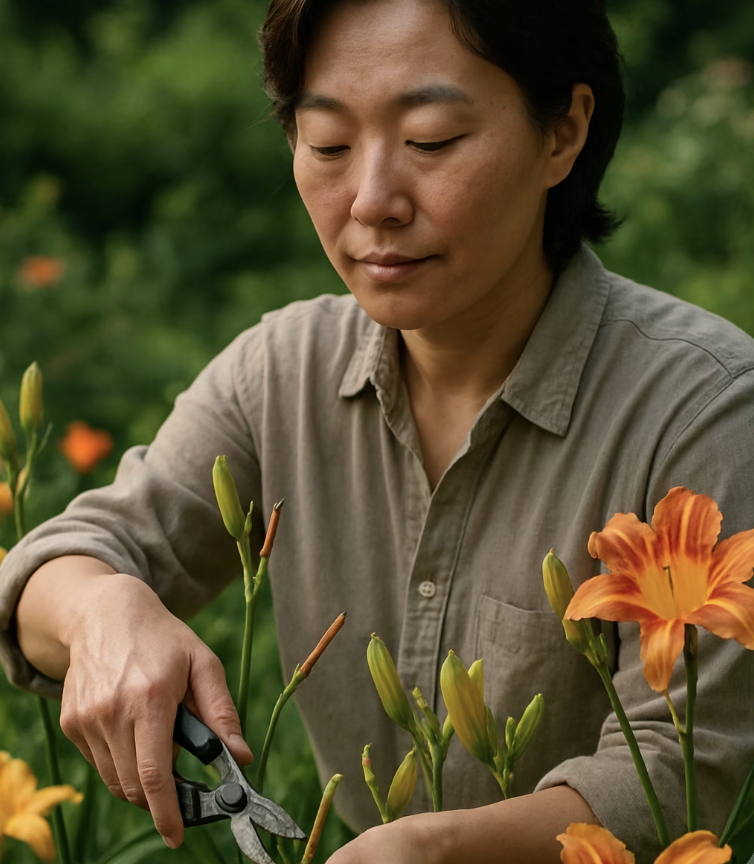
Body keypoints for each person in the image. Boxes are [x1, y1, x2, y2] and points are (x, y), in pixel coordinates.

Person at [2, 0, 754, 861]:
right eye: (327, 145)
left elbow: (688, 770)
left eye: (430, 140)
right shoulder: (279, 373)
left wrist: (429, 851)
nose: (371, 202)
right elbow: (61, 565)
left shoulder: (707, 410)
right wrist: (102, 609)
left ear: (563, 132)